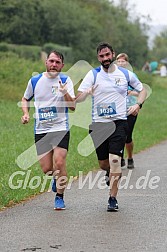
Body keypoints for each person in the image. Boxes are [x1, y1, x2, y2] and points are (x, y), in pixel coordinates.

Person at [76, 42, 146, 212]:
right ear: (98, 58)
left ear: (113, 54)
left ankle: (112, 198)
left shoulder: (125, 74)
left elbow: (142, 90)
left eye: (108, 55)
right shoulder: (92, 74)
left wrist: (138, 105)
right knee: (103, 164)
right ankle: (108, 172)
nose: (105, 58)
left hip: (118, 123)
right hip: (99, 125)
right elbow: (78, 98)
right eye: (102, 56)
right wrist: (86, 92)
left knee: (115, 161)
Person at [21, 50, 75, 210]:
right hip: (41, 129)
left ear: (62, 65)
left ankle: (60, 196)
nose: (54, 64)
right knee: (47, 169)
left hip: (60, 128)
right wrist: (25, 113)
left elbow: (72, 107)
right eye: (51, 61)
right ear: (46, 62)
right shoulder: (35, 80)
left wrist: (65, 92)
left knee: (59, 162)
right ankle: (56, 179)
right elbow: (25, 98)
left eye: (57, 62)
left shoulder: (65, 80)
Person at [116, 53, 141, 169]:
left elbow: (140, 92)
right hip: (117, 109)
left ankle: (130, 157)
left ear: (127, 63)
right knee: (118, 135)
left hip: (131, 108)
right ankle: (120, 157)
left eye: (123, 61)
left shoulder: (131, 76)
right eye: (118, 61)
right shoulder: (113, 76)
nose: (121, 63)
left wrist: (131, 93)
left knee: (127, 136)